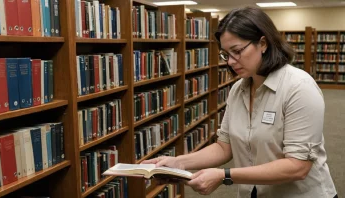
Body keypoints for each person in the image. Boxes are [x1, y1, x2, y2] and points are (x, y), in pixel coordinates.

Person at [142, 6, 338, 198]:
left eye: (237, 51)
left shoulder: (299, 87)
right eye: (226, 54)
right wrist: (179, 162)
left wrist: (225, 175)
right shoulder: (238, 89)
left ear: (263, 43)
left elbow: (297, 166)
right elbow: (224, 147)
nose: (230, 61)